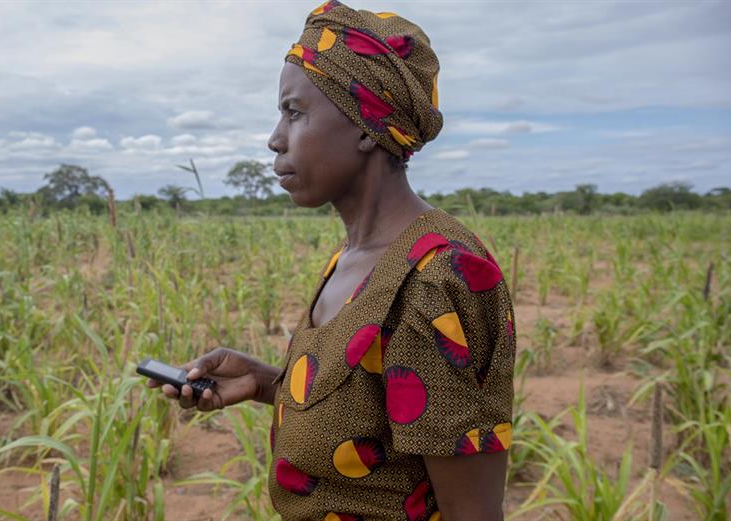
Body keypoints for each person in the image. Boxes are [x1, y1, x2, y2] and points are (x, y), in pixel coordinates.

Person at [147, 1, 516, 519]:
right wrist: (263, 382)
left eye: (293, 112)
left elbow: (471, 512)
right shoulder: (353, 259)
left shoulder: (440, 277)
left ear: (367, 126)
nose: (275, 139)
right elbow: (376, 416)